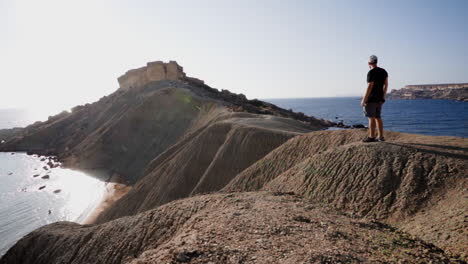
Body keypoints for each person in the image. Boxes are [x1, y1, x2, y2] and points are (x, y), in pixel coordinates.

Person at [361, 55, 388, 142]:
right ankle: (380, 137)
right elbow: (386, 85)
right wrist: (383, 97)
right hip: (379, 99)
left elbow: (370, 86)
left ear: (369, 63)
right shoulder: (384, 71)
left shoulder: (371, 72)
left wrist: (364, 100)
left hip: (371, 99)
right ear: (376, 61)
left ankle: (371, 137)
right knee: (378, 117)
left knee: (371, 118)